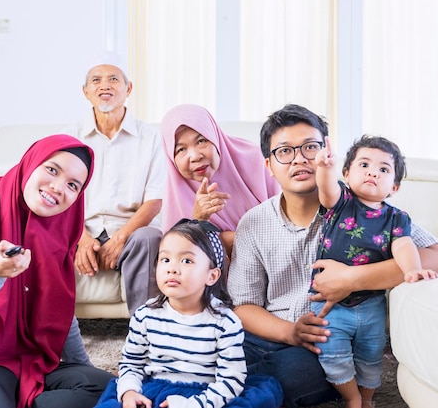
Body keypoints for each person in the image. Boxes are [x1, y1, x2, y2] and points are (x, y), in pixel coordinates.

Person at [227, 104, 438, 408]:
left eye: (310, 147)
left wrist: (352, 278)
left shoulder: (362, 206)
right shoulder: (254, 223)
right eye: (285, 151)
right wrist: (289, 332)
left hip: (323, 343)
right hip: (270, 331)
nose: (299, 159)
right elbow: (244, 305)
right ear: (269, 165)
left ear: (329, 153)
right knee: (212, 347)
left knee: (293, 374)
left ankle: (238, 389)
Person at [0, 134, 114, 408]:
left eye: (73, 185)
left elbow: (61, 311)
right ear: (31, 164)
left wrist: (86, 371)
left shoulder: (59, 233)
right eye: (52, 169)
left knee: (109, 389)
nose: (57, 187)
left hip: (26, 357)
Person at [93, 219, 283, 408]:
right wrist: (130, 392)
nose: (172, 269)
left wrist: (194, 404)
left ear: (212, 276)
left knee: (257, 397)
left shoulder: (225, 322)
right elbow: (131, 364)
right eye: (165, 259)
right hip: (153, 390)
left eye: (186, 261)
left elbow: (230, 382)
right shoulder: (146, 315)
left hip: (205, 394)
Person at [311, 134, 438, 408]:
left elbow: (404, 245)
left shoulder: (397, 218)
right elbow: (326, 188)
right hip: (330, 304)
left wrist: (412, 270)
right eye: (364, 164)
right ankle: (352, 397)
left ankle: (367, 398)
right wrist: (324, 167)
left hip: (371, 303)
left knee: (371, 355)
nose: (372, 172)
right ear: (347, 173)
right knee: (332, 354)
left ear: (394, 186)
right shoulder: (341, 201)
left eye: (383, 169)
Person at [65, 50, 166, 314]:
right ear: (86, 92)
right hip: (81, 228)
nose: (105, 85)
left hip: (132, 230)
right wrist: (80, 238)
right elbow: (59, 196)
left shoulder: (151, 138)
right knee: (43, 234)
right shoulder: (70, 138)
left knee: (148, 238)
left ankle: (144, 331)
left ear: (128, 88)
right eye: (96, 80)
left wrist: (122, 237)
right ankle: (49, 337)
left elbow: (155, 200)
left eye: (113, 79)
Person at [159, 103, 279, 256]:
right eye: (181, 149)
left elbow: (287, 224)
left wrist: (224, 240)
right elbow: (179, 256)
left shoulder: (259, 160)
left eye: (201, 141)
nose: (195, 156)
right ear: (171, 157)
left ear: (215, 137)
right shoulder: (176, 192)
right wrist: (198, 221)